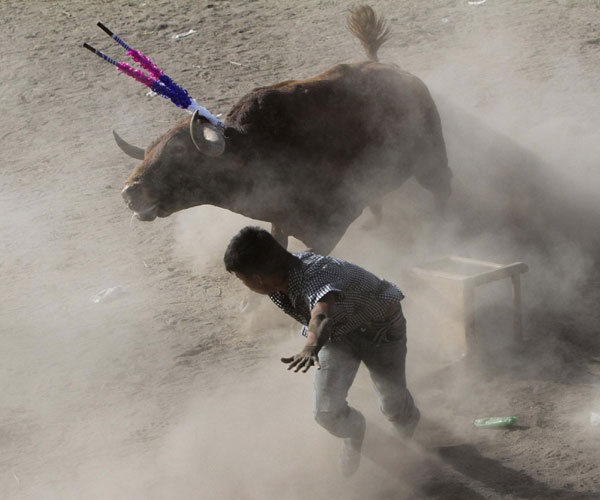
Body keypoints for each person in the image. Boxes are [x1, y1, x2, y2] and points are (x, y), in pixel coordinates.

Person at [223, 226, 420, 476]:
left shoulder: (317, 275)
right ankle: (355, 432)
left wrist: (310, 346)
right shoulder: (281, 278)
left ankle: (407, 423)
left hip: (379, 329)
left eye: (243, 279)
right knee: (326, 411)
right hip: (338, 337)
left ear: (257, 278)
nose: (245, 285)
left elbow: (322, 314)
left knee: (392, 402)